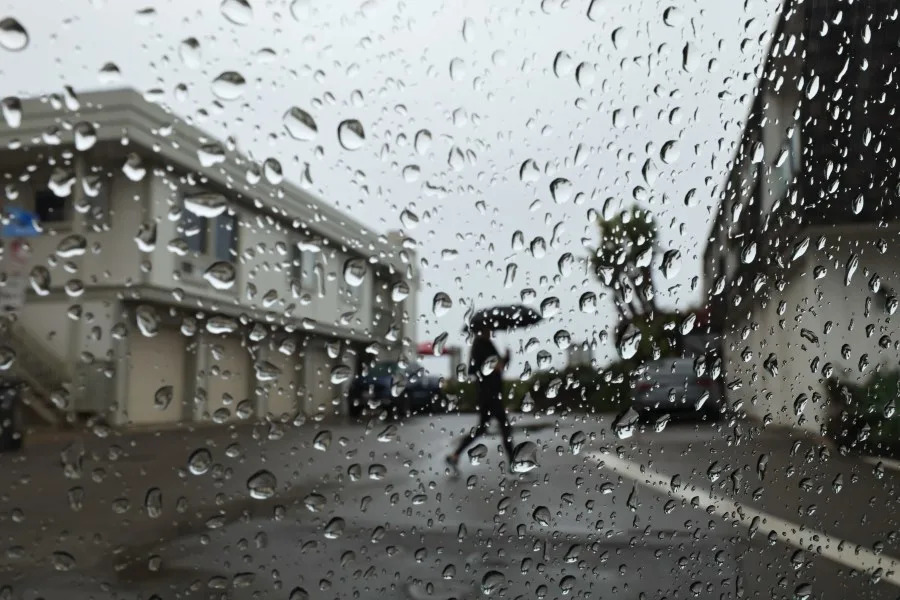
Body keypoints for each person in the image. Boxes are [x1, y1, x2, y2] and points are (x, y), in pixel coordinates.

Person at [446, 324, 515, 473]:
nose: (491, 331)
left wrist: (507, 358)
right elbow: (480, 368)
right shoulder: (479, 345)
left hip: (493, 392)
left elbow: (499, 366)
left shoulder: (488, 344)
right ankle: (513, 462)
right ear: (482, 330)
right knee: (505, 426)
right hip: (488, 394)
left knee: (481, 429)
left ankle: (455, 455)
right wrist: (496, 365)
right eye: (488, 329)